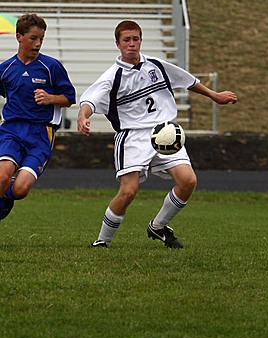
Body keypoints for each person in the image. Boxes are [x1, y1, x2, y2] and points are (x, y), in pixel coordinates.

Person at [77, 20, 237, 249]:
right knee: (128, 192)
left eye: (135, 39)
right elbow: (89, 100)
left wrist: (214, 95)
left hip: (165, 132)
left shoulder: (156, 65)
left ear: (141, 40)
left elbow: (187, 81)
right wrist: (83, 116)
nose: (131, 44)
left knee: (188, 181)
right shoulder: (112, 76)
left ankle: (158, 226)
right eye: (126, 40)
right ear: (117, 44)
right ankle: (103, 241)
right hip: (132, 137)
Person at [0, 13, 76, 221]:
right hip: (11, 130)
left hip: (41, 133)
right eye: (33, 38)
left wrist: (50, 98)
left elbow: (69, 98)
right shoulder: (5, 69)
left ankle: (7, 195)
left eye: (41, 38)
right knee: (2, 175)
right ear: (19, 37)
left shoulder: (51, 67)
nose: (38, 43)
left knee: (20, 189)